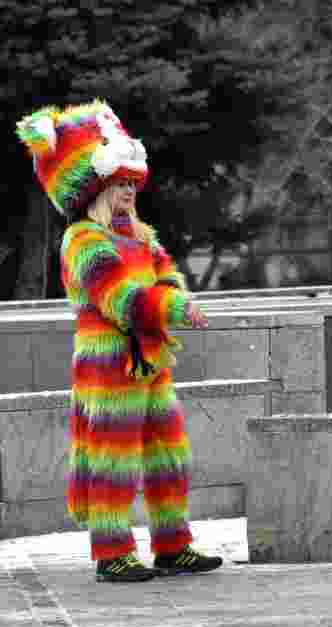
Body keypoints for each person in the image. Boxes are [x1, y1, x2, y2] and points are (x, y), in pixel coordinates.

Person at [16, 100, 223, 582]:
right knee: (113, 459)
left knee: (168, 454)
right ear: (98, 189)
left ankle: (173, 545)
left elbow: (167, 274)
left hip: (150, 360)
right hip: (108, 365)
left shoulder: (144, 236)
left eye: (133, 182)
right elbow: (120, 298)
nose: (130, 190)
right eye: (121, 183)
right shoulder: (83, 240)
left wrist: (172, 298)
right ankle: (112, 552)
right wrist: (173, 309)